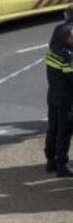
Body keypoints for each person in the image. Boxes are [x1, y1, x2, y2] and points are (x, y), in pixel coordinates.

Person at [46, 16, 73, 178]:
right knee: (64, 131)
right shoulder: (67, 57)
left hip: (53, 94)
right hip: (66, 99)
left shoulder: (52, 53)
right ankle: (62, 165)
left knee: (53, 128)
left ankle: (51, 160)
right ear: (67, 40)